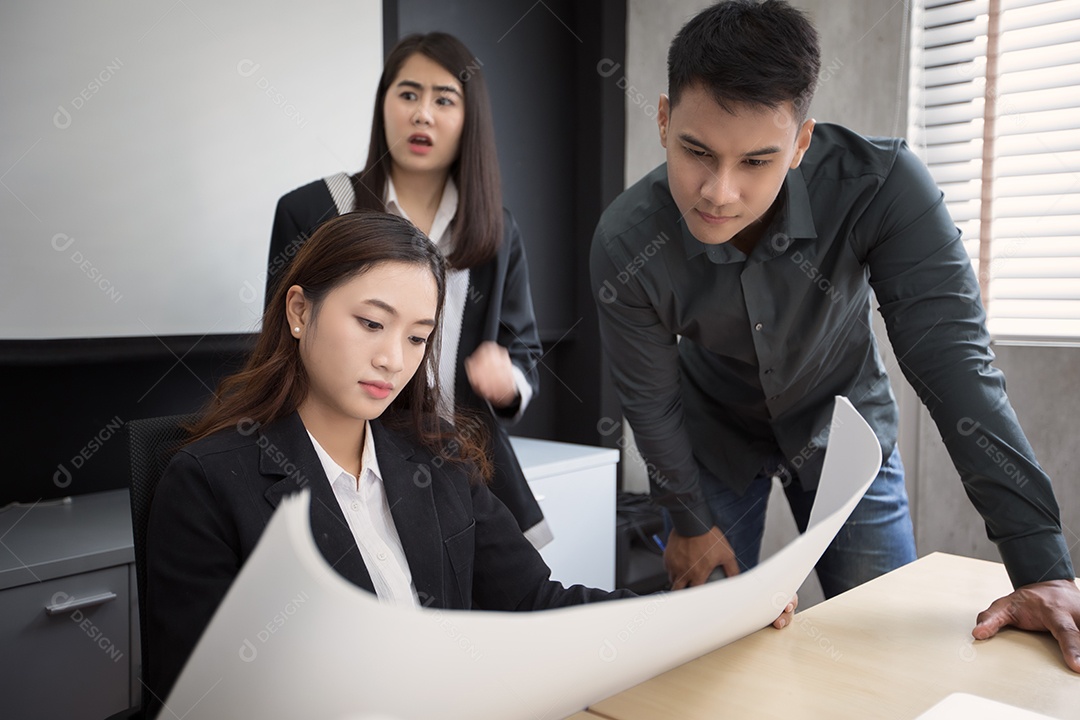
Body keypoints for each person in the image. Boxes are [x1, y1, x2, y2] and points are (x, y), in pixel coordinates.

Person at [590, 0, 1080, 672]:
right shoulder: (625, 242)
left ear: (800, 143)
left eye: (757, 161)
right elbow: (650, 399)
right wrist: (688, 519)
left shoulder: (882, 188)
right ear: (665, 118)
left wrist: (1041, 563)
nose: (719, 192)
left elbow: (955, 369)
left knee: (886, 655)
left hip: (845, 421)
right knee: (702, 659)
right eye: (696, 151)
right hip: (713, 439)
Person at [144, 213, 656, 714]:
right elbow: (202, 702)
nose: (393, 359)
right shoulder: (207, 483)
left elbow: (533, 603)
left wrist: (668, 619)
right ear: (299, 311)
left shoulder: (438, 457)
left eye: (417, 338)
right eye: (371, 323)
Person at [266, 32, 551, 548]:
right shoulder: (314, 210)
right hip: (341, 463)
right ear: (384, 105)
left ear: (470, 119)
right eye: (408, 94)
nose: (424, 114)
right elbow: (280, 345)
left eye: (444, 99)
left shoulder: (494, 229)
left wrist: (507, 379)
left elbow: (524, 349)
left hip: (460, 462)